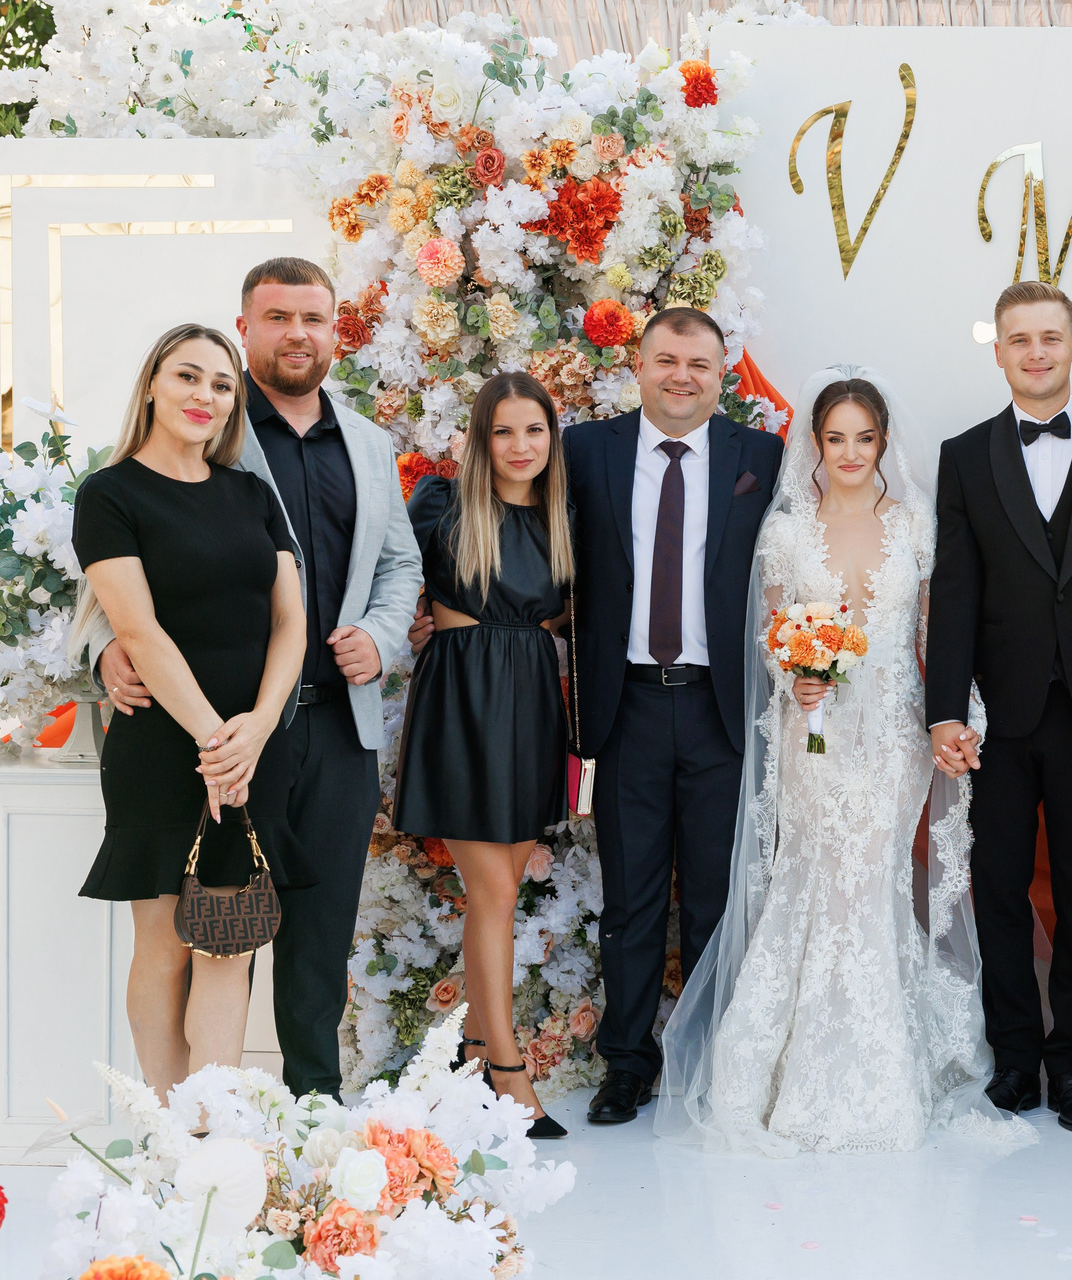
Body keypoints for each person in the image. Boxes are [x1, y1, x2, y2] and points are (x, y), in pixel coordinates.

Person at [656, 369, 1031, 1154]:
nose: (852, 452)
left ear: (884, 441)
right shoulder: (787, 532)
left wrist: (956, 717)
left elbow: (936, 636)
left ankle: (880, 1068)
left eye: (865, 437)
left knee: (872, 880)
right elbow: (770, 634)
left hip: (894, 735)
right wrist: (795, 673)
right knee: (817, 878)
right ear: (816, 445)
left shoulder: (917, 524)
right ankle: (786, 1074)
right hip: (815, 733)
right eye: (837, 438)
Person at [84, 258, 423, 1100]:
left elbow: (393, 567)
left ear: (335, 329)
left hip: (321, 722)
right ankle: (178, 1121)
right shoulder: (197, 456)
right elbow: (121, 591)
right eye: (278, 317)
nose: (297, 333)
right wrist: (106, 649)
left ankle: (304, 1109)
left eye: (313, 317)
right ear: (247, 329)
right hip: (205, 731)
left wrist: (380, 638)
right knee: (183, 939)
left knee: (301, 931)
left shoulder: (362, 445)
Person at [70, 323, 305, 1099]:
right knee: (167, 945)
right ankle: (167, 1126)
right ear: (151, 386)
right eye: (188, 376)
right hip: (166, 751)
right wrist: (214, 743)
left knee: (228, 944)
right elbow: (137, 630)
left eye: (222, 384)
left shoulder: (252, 494)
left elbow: (291, 623)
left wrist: (257, 729)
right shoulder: (110, 494)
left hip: (251, 747)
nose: (206, 395)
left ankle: (212, 1129)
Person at [564, 307, 784, 1125]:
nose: (682, 376)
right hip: (624, 705)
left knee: (715, 903)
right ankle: (627, 1064)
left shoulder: (760, 456)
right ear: (640, 366)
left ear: (721, 375)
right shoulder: (586, 450)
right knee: (631, 898)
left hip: (721, 707)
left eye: (699, 364)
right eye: (667, 360)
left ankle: (711, 1062)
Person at [925, 281, 1072, 1134]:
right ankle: (1014, 1058)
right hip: (996, 715)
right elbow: (955, 591)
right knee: (999, 890)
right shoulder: (965, 455)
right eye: (1020, 339)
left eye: (1051, 337)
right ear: (1000, 351)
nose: (1037, 352)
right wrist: (944, 709)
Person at [394, 372, 571, 1139]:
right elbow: (385, 578)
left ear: (551, 438)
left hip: (532, 707)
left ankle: (469, 1054)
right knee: (494, 891)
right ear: (479, 438)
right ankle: (508, 1071)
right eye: (503, 431)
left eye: (534, 430)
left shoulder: (565, 519)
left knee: (497, 895)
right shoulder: (441, 506)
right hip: (461, 702)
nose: (520, 445)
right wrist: (410, 619)